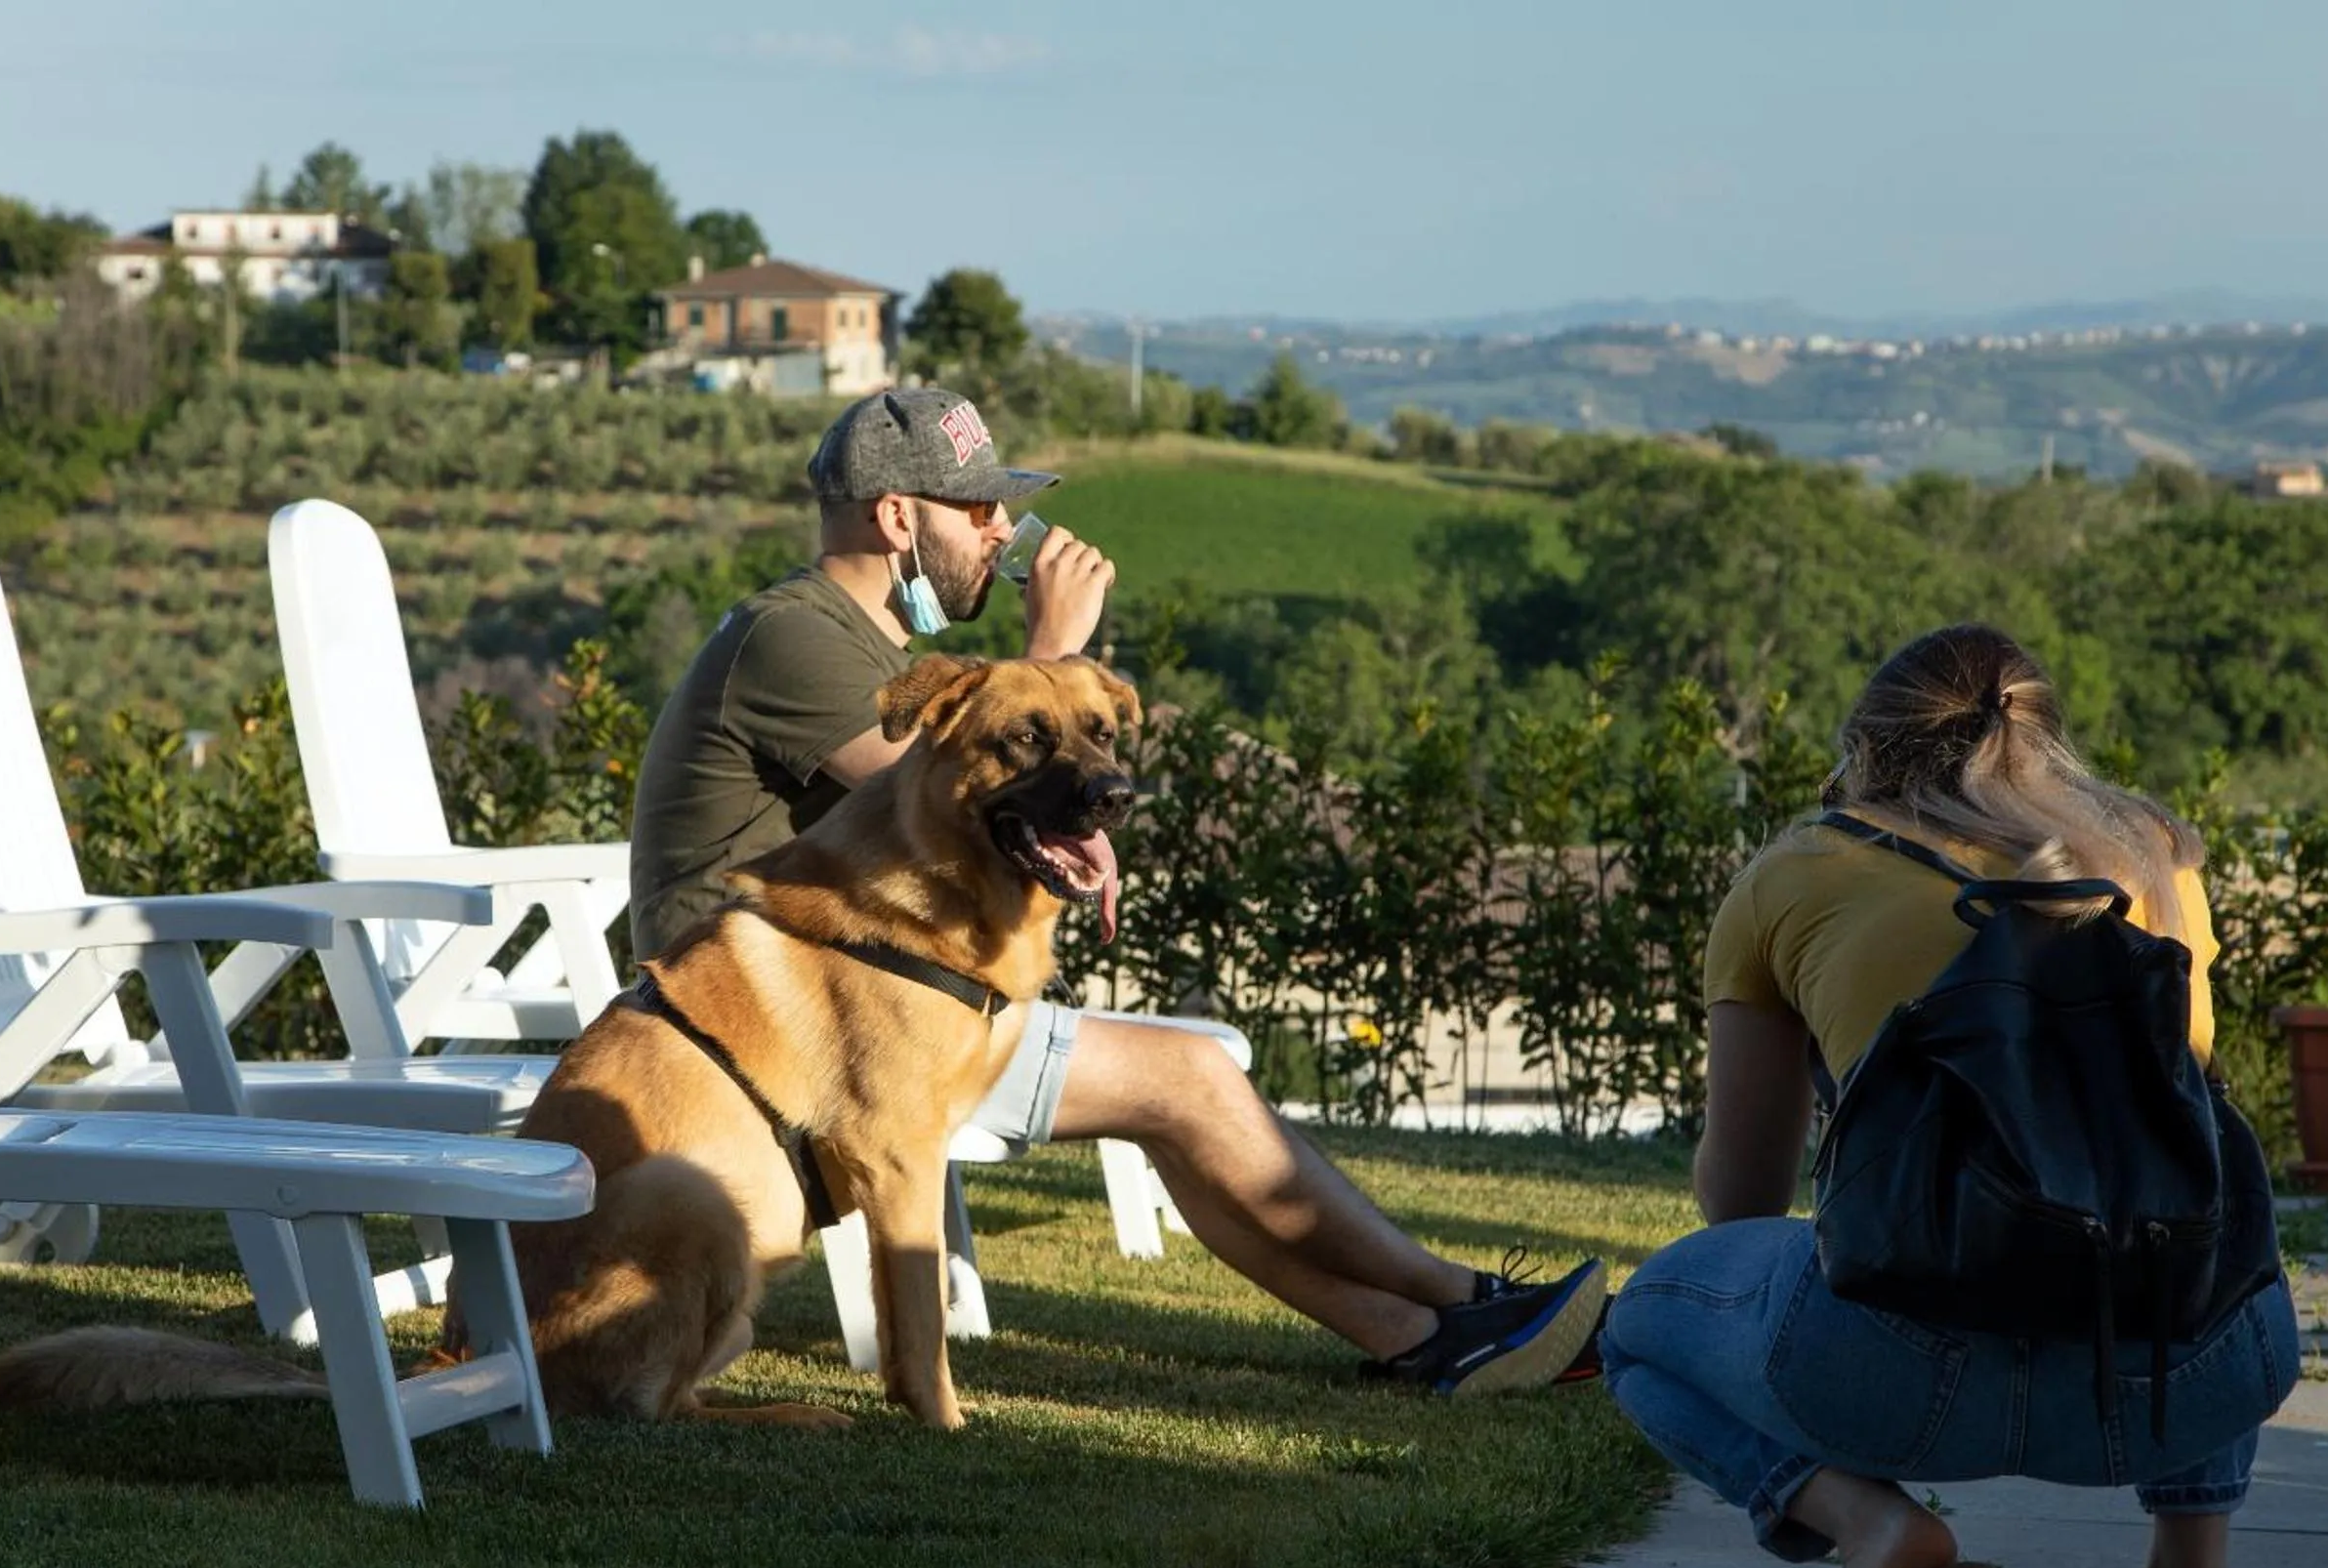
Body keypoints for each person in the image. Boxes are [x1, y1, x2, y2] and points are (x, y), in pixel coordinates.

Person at [626, 386, 1605, 1395]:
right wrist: (1053, 653)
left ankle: (1429, 1330)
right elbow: (941, 787)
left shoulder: (867, 644)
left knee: (1182, 1090)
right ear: (895, 517)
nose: (1003, 532)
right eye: (979, 510)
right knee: (1188, 1081)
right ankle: (1462, 1301)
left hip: (883, 998)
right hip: (780, 1025)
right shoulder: (794, 637)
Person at [1600, 624, 2300, 1568]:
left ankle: (1877, 1529)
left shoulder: (1796, 873)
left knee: (1640, 1326)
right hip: (2169, 1392)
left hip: (1894, 1379)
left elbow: (1740, 1200)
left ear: (1867, 745)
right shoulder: (2155, 858)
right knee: (2188, 1216)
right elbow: (2181, 1146)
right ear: (2046, 739)